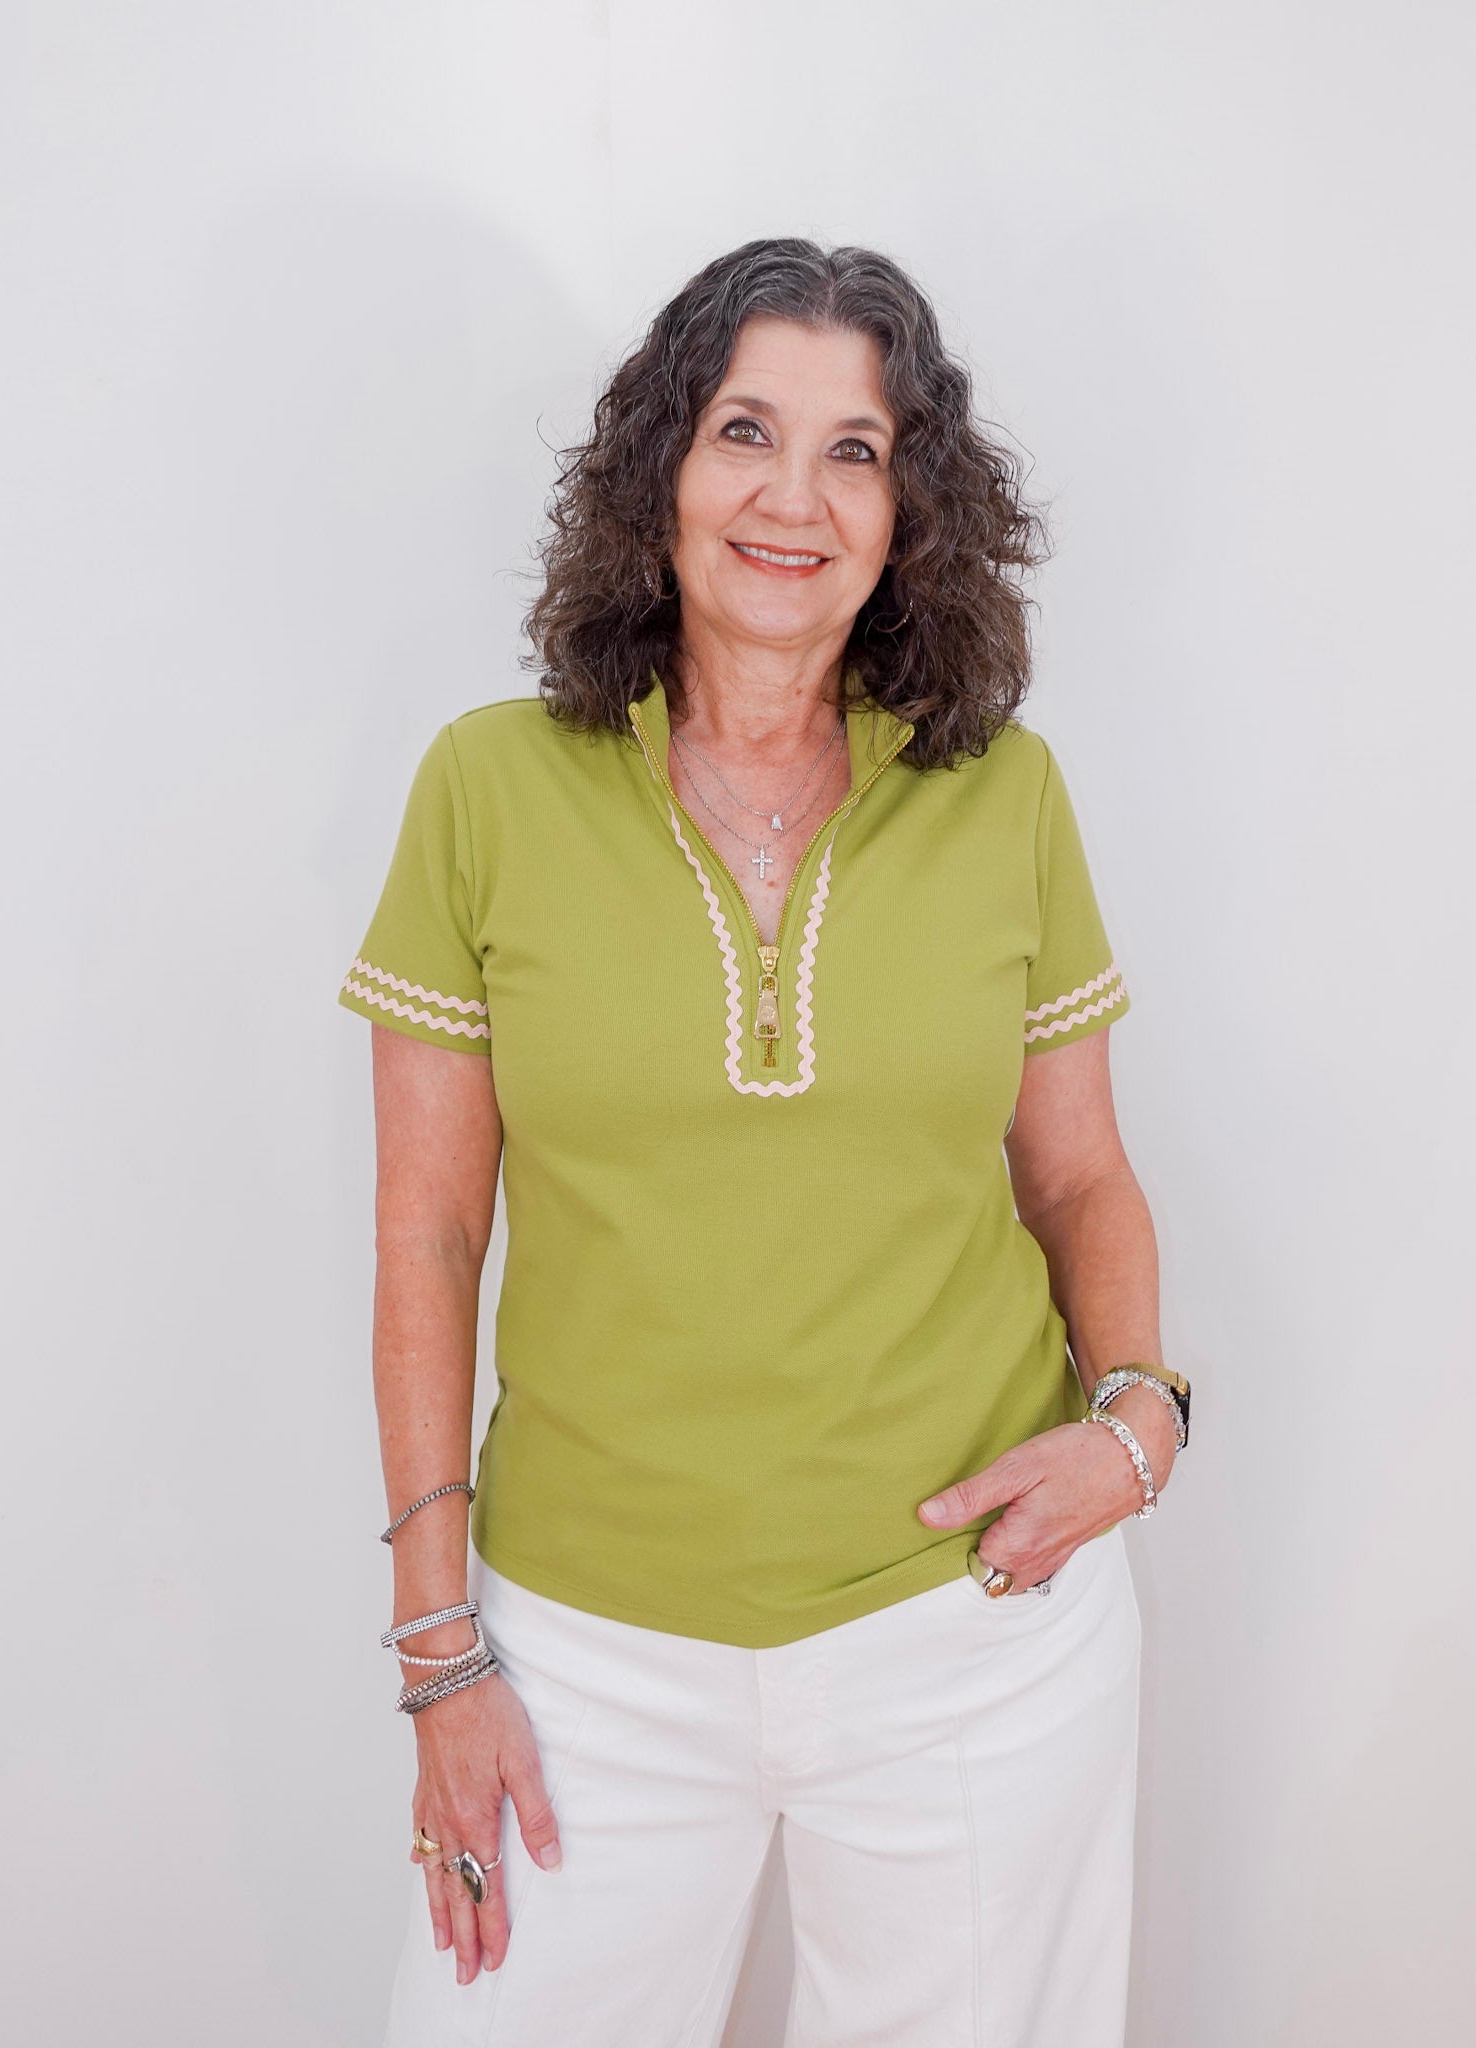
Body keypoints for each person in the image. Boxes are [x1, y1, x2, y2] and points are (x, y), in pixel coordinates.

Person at [337, 236, 1190, 2048]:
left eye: (854, 451)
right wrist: (439, 1650)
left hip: (976, 1627)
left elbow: (1078, 1176)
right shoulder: (489, 787)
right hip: (582, 1652)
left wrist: (1140, 1422)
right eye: (745, 431)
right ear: (661, 471)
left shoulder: (1005, 793)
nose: (793, 497)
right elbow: (428, 1233)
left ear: (907, 515)